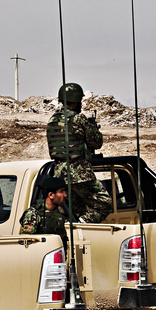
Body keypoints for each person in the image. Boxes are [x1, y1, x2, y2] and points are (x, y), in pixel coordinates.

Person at [0, 176, 69, 310]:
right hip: (34, 277)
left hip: (55, 275)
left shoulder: (63, 214)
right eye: (61, 192)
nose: (65, 195)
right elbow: (24, 247)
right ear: (50, 195)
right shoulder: (33, 215)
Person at [46, 83, 112, 224]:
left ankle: (77, 230)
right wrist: (93, 129)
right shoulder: (78, 118)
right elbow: (96, 142)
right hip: (79, 173)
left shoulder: (52, 120)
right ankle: (83, 223)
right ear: (75, 101)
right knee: (104, 203)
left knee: (74, 212)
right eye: (79, 101)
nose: (81, 104)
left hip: (59, 174)